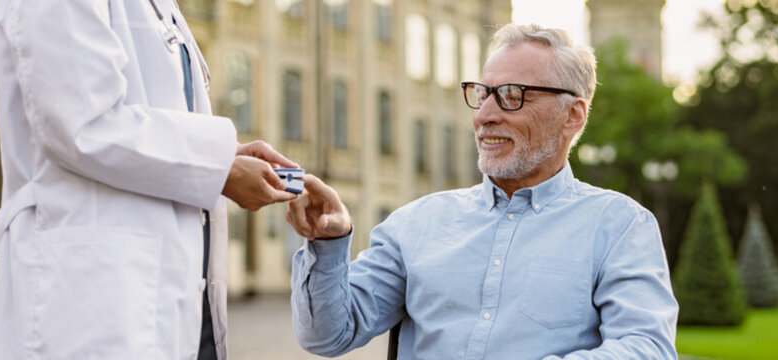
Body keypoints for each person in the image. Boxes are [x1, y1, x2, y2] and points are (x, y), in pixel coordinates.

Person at [286, 23, 678, 359]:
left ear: (572, 116)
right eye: (482, 93)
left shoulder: (619, 226)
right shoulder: (415, 224)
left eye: (511, 95)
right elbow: (327, 335)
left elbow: (646, 346)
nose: (485, 116)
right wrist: (329, 242)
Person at [0, 1, 297, 359]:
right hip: (94, 306)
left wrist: (228, 156)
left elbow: (151, 115)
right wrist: (219, 166)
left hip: (168, 303)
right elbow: (81, 123)